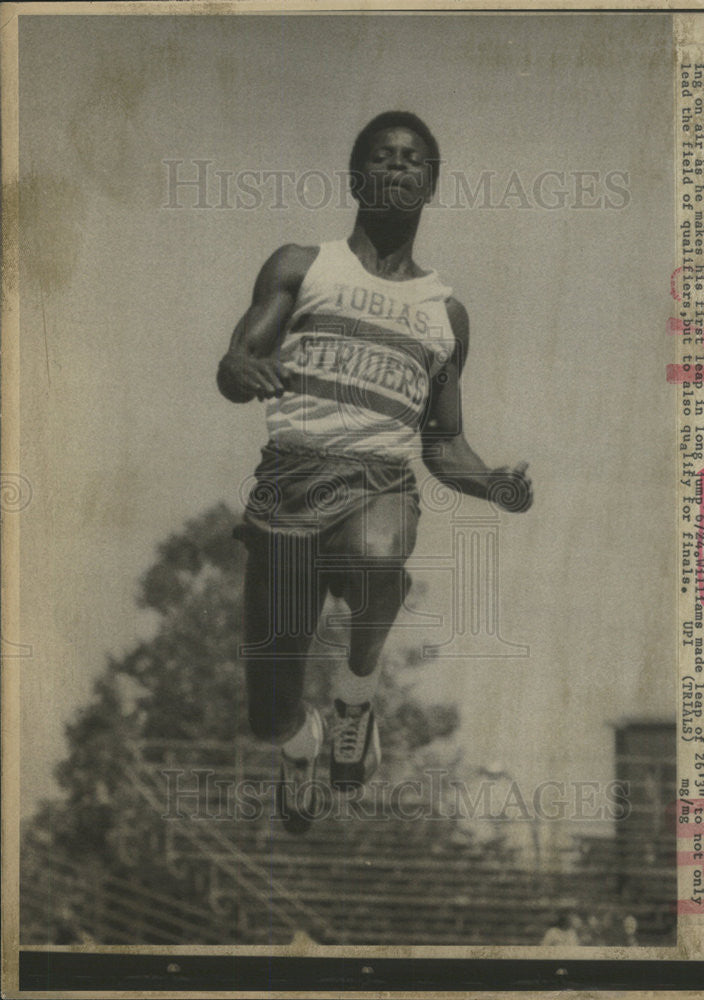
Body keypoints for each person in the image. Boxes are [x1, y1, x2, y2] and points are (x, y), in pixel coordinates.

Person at [217, 111, 533, 833]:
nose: (398, 167)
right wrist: (239, 368)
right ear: (357, 176)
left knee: (378, 551)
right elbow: (237, 365)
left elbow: (444, 446)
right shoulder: (302, 265)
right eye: (383, 158)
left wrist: (496, 486)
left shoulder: (445, 314)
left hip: (378, 478)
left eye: (413, 159)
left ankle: (357, 697)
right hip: (288, 482)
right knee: (269, 714)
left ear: (433, 182)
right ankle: (303, 750)